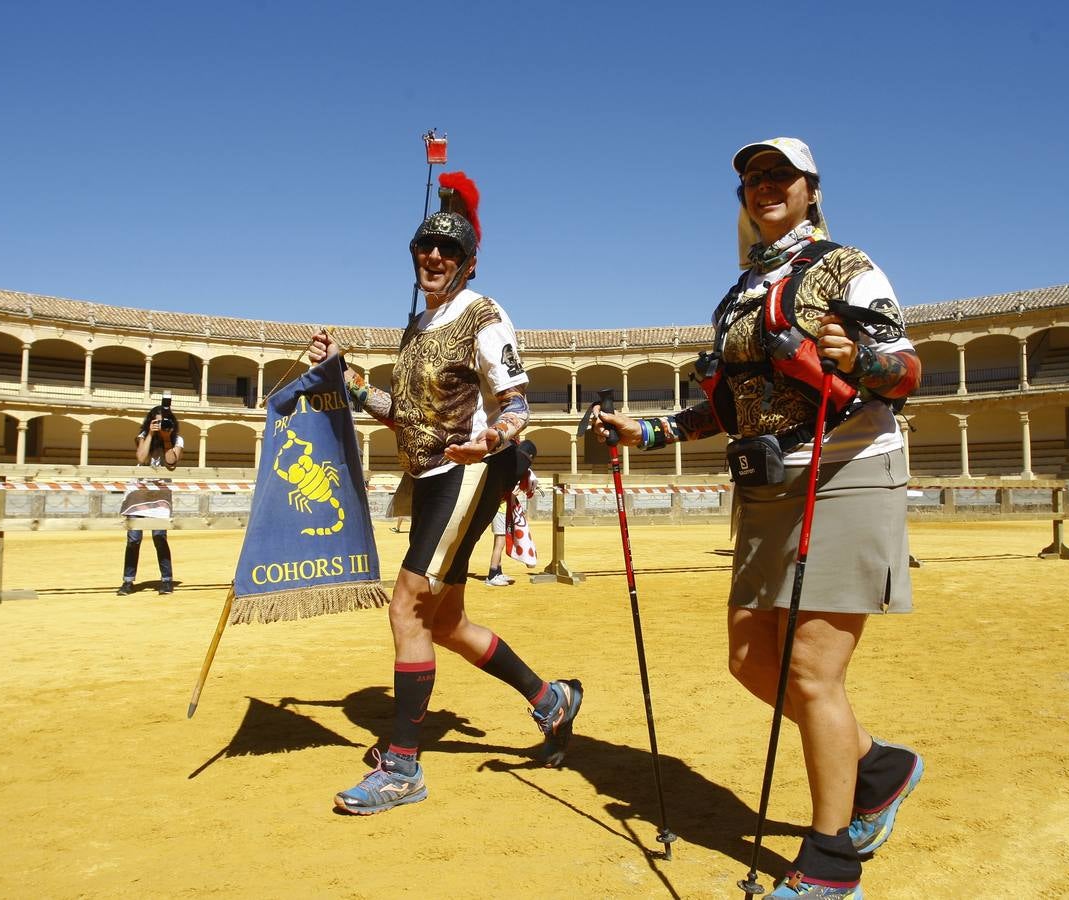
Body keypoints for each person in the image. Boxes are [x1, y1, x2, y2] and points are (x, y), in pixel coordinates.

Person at [594, 138, 923, 899]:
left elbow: (904, 369)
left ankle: (832, 860)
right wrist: (647, 433)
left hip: (844, 471)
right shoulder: (740, 293)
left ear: (812, 189)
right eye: (752, 178)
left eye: (781, 176)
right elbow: (724, 401)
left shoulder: (848, 267)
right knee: (749, 659)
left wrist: (854, 359)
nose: (764, 186)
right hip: (768, 484)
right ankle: (876, 766)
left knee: (812, 672)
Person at [307, 172, 581, 816]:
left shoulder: (484, 314)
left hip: (470, 470)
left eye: (447, 250)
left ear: (468, 262)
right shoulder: (419, 326)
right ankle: (551, 700)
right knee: (447, 620)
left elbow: (516, 404)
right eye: (424, 246)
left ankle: (403, 766)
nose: (433, 256)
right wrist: (343, 377)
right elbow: (399, 411)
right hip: (430, 476)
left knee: (407, 608)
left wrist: (488, 444)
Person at [117, 404, 184, 596]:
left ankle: (166, 580)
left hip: (160, 494)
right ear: (150, 421)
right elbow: (141, 457)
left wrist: (165, 439)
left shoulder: (176, 439)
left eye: (163, 420)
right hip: (139, 492)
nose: (160, 424)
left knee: (159, 536)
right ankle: (128, 581)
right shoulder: (143, 435)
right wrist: (150, 434)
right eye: (156, 421)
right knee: (133, 539)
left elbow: (171, 463)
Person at [484, 438, 539, 586]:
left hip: (500, 504)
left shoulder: (507, 464)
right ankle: (492, 574)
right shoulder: (515, 467)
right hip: (500, 506)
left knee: (500, 539)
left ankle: (498, 572)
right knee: (500, 540)